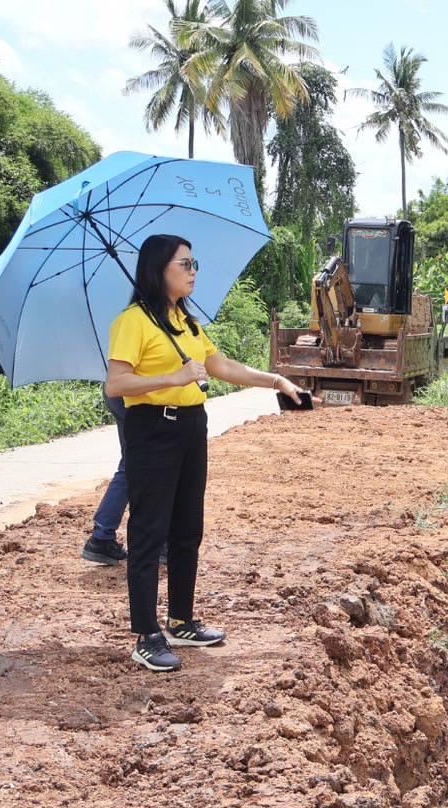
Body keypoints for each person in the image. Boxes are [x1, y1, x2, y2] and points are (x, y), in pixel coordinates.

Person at [104, 233, 303, 672]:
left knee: (187, 528)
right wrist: (171, 378)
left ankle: (181, 619)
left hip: (192, 428)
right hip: (152, 429)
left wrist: (276, 380)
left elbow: (222, 367)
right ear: (159, 269)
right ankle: (146, 634)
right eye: (185, 264)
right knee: (148, 532)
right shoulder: (132, 322)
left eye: (195, 264)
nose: (193, 271)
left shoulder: (186, 322)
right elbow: (116, 385)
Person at [81, 388, 130, 565]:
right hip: (133, 394)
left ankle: (102, 535)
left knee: (132, 464)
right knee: (136, 465)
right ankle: (102, 537)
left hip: (119, 391)